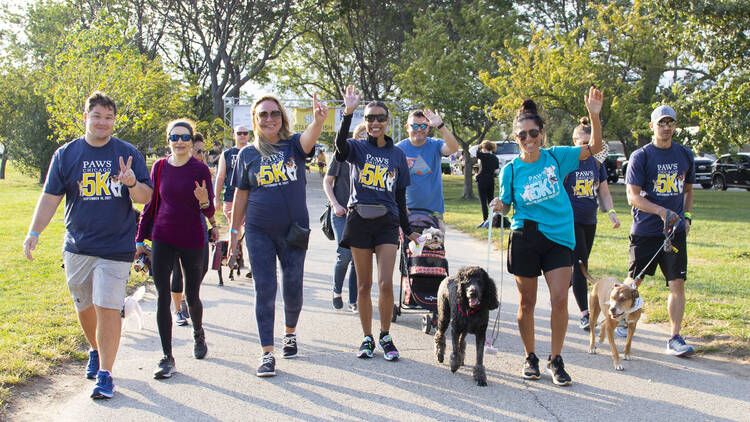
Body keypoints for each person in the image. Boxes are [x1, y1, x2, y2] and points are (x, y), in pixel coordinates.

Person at [22, 91, 152, 399]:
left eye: (109, 117)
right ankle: (94, 349)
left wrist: (132, 181)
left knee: (108, 307)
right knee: (85, 304)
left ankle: (105, 374)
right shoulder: (66, 155)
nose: (103, 122)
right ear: (85, 118)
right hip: (78, 246)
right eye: (97, 116)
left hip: (116, 247)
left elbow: (146, 198)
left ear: (114, 120)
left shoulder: (127, 152)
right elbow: (50, 198)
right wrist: (34, 233)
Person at [491, 86, 604, 387]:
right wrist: (499, 205)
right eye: (522, 135)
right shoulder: (511, 170)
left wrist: (594, 114)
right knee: (526, 303)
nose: (528, 140)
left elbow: (594, 146)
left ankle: (556, 359)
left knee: (558, 300)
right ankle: (530, 357)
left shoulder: (557, 157)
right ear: (516, 139)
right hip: (525, 237)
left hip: (558, 237)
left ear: (542, 133)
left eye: (533, 133)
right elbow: (506, 205)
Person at [229, 93, 327, 377]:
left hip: (293, 231)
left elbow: (309, 138)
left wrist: (319, 121)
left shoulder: (293, 145)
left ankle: (290, 333)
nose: (269, 119)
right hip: (259, 231)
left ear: (282, 117)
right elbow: (241, 194)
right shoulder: (247, 154)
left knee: (293, 288)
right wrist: (235, 232)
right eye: (263, 115)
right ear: (255, 120)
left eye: (274, 114)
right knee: (265, 289)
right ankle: (267, 353)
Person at [335, 86, 420, 361]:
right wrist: (348, 113)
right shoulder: (357, 148)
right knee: (363, 285)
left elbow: (399, 195)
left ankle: (385, 334)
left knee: (385, 283)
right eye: (370, 118)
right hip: (359, 220)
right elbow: (339, 147)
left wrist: (407, 231)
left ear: (387, 122)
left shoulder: (397, 155)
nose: (374, 123)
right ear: (365, 121)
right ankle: (367, 337)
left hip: (387, 222)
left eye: (379, 118)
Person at [135, 119, 215, 379]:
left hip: (192, 238)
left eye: (184, 137)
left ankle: (198, 333)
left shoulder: (200, 169)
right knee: (162, 296)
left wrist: (204, 202)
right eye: (174, 136)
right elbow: (151, 203)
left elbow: (210, 210)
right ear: (168, 140)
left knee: (192, 295)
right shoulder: (159, 167)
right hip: (162, 237)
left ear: (191, 141)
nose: (179, 141)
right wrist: (140, 238)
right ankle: (167, 356)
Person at [624, 105, 695, 356]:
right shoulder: (641, 156)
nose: (666, 127)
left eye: (670, 122)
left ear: (675, 126)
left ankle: (675, 337)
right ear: (652, 126)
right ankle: (621, 318)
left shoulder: (685, 155)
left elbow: (687, 191)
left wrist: (685, 217)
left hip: (673, 232)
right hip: (646, 229)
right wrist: (661, 211)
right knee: (635, 281)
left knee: (677, 283)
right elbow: (633, 197)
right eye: (661, 122)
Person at [563, 117, 621, 331]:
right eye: (582, 143)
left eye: (590, 142)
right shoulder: (568, 162)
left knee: (579, 262)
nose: (587, 147)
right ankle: (586, 314)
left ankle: (558, 292)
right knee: (580, 265)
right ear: (574, 141)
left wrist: (611, 212)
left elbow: (603, 192)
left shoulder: (597, 163)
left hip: (590, 220)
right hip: (571, 221)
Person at [170, 133, 219, 326]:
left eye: (203, 151)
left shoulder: (203, 173)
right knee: (177, 270)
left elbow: (209, 205)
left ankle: (188, 297)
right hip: (173, 227)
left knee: (202, 268)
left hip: (197, 225)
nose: (202, 155)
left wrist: (214, 225)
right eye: (198, 151)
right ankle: (178, 308)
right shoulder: (171, 169)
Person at [323, 124, 366, 313]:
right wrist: (335, 204)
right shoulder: (342, 156)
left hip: (362, 216)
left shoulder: (373, 159)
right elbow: (327, 181)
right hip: (340, 213)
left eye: (368, 135)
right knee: (345, 254)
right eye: (361, 135)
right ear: (355, 137)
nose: (364, 138)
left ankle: (354, 300)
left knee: (359, 257)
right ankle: (336, 290)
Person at [396, 108, 459, 229]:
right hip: (407, 212)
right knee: (408, 248)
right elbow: (392, 181)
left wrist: (441, 126)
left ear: (429, 128)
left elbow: (453, 149)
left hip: (434, 213)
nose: (419, 129)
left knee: (435, 246)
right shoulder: (398, 150)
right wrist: (400, 206)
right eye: (414, 126)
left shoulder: (435, 145)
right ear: (407, 128)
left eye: (423, 126)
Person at [475, 140, 500, 228]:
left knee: (483, 202)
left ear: (484, 148)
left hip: (482, 180)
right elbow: (496, 171)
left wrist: (479, 146)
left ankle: (486, 220)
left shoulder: (483, 156)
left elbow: (471, 150)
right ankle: (492, 220)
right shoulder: (495, 158)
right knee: (490, 201)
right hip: (490, 181)